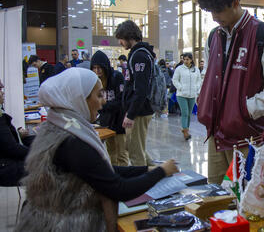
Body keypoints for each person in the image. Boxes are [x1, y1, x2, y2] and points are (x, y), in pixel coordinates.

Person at [15, 68, 179, 232]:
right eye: (99, 95)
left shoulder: (58, 125)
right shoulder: (73, 142)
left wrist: (146, 169)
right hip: (64, 225)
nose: (103, 101)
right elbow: (119, 189)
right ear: (79, 98)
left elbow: (100, 170)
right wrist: (161, 172)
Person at [197, 0, 264, 184]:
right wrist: (204, 98)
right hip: (216, 133)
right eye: (210, 12)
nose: (214, 17)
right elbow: (207, 74)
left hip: (247, 137)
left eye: (218, 11)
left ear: (236, 3)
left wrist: (244, 110)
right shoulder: (214, 36)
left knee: (243, 198)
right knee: (215, 194)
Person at [115, 20, 156, 166]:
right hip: (137, 110)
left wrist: (131, 114)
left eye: (120, 38)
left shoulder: (139, 56)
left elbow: (141, 89)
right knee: (137, 148)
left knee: (135, 152)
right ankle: (158, 172)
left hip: (139, 111)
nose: (120, 42)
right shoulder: (137, 54)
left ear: (128, 36)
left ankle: (143, 184)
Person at [91, 51, 128, 166]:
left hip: (119, 120)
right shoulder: (94, 81)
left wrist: (103, 107)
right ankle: (115, 175)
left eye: (100, 68)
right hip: (106, 121)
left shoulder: (117, 77)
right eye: (95, 68)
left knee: (122, 153)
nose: (97, 71)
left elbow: (121, 100)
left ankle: (124, 176)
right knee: (111, 152)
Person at [0, 79, 35, 186]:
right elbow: (11, 148)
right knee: (49, 169)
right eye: (0, 89)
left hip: (5, 160)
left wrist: (17, 134)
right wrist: (37, 155)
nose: (3, 92)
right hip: (4, 166)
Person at [172, 53, 202, 140]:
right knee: (185, 113)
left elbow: (199, 81)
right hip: (181, 95)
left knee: (189, 114)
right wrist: (180, 87)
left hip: (192, 95)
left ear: (191, 60)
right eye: (184, 59)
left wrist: (196, 89)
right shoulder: (179, 69)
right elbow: (174, 80)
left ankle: (186, 130)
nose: (185, 61)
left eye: (187, 59)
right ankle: (185, 131)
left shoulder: (196, 69)